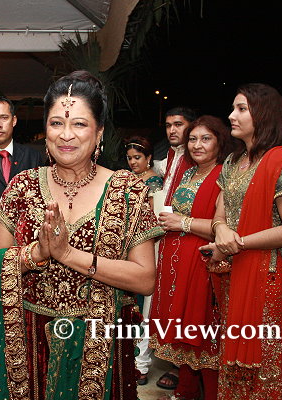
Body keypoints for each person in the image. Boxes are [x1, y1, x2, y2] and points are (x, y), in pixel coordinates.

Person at [0, 71, 162, 400]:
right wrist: (36, 254)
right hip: (30, 344)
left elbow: (145, 279)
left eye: (79, 124)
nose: (66, 135)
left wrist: (68, 254)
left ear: (99, 132)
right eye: (56, 123)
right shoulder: (22, 186)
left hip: (101, 346)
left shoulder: (127, 191)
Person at [200, 83, 282, 400]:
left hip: (269, 276)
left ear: (264, 114)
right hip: (232, 273)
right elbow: (220, 213)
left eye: (241, 109)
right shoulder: (233, 162)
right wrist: (220, 230)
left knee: (263, 362)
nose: (231, 116)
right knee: (232, 358)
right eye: (233, 108)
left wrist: (238, 243)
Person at [150, 115, 234, 400]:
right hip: (177, 260)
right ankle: (186, 390)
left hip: (204, 260)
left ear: (220, 142)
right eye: (193, 139)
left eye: (206, 139)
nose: (197, 145)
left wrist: (182, 223)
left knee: (203, 326)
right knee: (183, 328)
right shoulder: (188, 174)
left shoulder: (224, 175)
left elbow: (227, 226)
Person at [0, 95, 42, 368]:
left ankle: (29, 370)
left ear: (14, 120)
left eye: (4, 118)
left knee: (28, 316)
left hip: (30, 254)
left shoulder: (34, 156)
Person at [151, 106, 196, 390]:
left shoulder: (197, 157)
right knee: (164, 296)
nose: (172, 130)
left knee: (184, 299)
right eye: (168, 125)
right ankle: (168, 356)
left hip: (190, 235)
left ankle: (181, 366)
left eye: (178, 124)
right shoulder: (167, 156)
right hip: (165, 233)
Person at [124, 136, 164, 386]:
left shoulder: (154, 182)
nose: (132, 162)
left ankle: (141, 363)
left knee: (145, 307)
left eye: (137, 157)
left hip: (147, 247)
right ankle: (129, 357)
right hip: (127, 247)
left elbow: (151, 219)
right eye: (129, 158)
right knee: (130, 305)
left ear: (149, 158)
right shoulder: (129, 179)